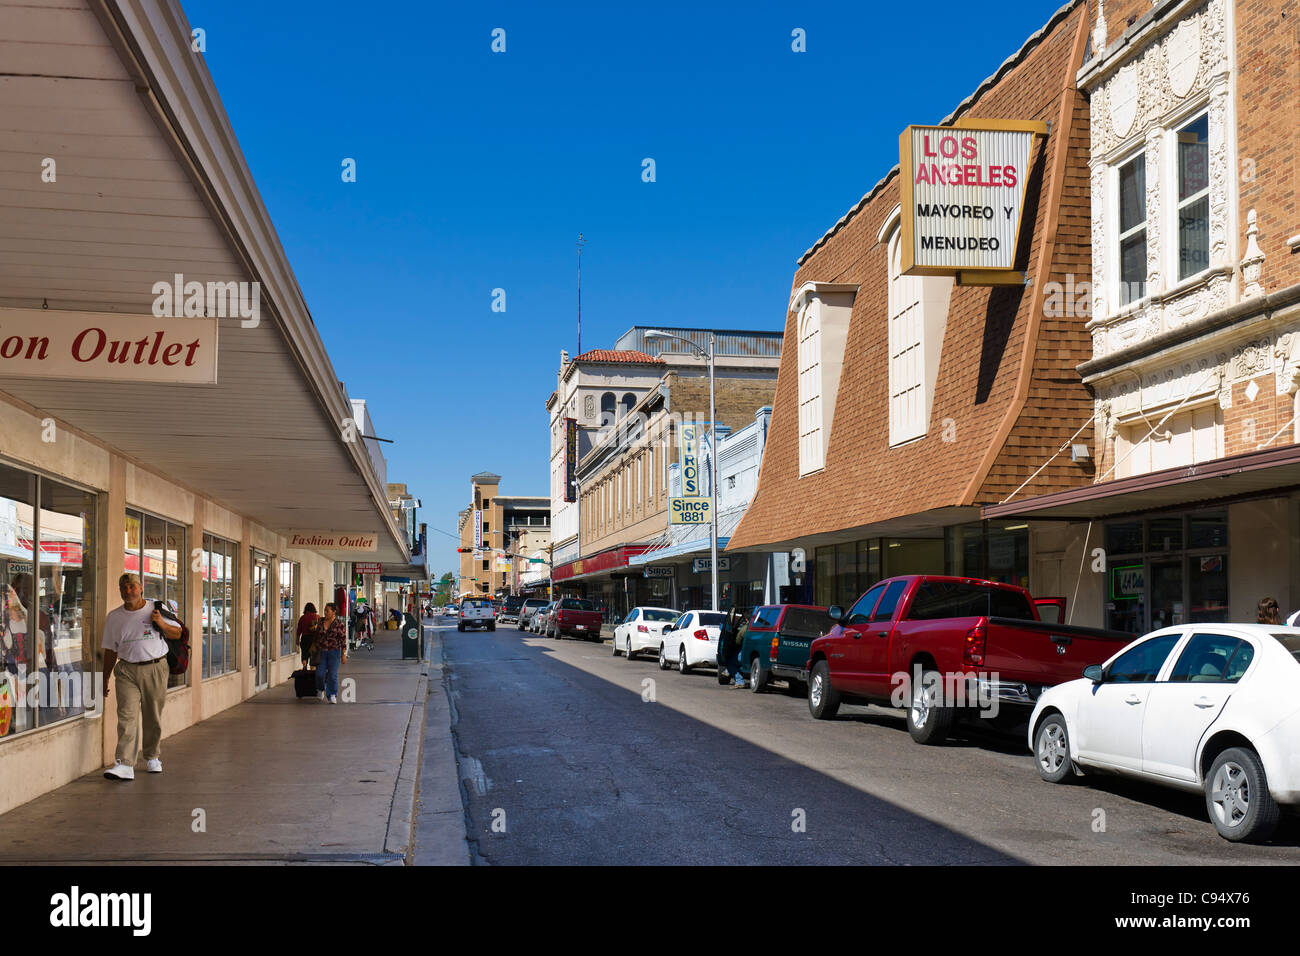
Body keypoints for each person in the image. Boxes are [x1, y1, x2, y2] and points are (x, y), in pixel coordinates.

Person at [101, 573, 181, 781]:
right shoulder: (114, 617)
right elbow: (110, 650)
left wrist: (160, 623)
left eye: (132, 587)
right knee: (126, 717)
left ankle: (152, 756)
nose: (128, 591)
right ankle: (125, 763)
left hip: (155, 667)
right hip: (126, 670)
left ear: (141, 588)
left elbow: (178, 633)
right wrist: (104, 678)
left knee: (152, 715)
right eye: (124, 588)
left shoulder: (156, 608)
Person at [313, 602, 347, 703]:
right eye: (324, 610)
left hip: (334, 652)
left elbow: (342, 640)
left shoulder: (339, 624)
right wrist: (313, 645)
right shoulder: (320, 621)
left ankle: (332, 694)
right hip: (321, 652)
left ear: (334, 612)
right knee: (319, 674)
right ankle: (320, 689)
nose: (325, 612)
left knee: (332, 675)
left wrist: (343, 655)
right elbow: (316, 635)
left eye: (327, 610)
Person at [719, 607, 749, 688]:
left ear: (746, 619)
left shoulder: (744, 629)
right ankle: (727, 671)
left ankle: (739, 681)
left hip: (746, 653)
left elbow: (737, 641)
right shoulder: (759, 627)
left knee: (731, 663)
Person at [296, 602, 320, 667]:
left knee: (304, 655)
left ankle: (304, 668)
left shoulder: (302, 618)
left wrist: (297, 640)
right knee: (314, 656)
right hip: (314, 639)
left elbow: (299, 631)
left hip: (305, 639)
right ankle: (313, 671)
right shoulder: (317, 617)